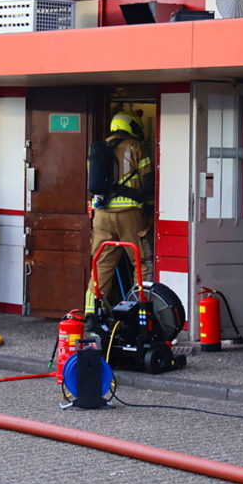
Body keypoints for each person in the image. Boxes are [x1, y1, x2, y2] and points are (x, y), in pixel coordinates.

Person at [85, 112, 154, 332]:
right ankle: (141, 310)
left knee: (100, 266)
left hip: (102, 216)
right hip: (129, 214)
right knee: (142, 262)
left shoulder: (97, 150)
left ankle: (91, 314)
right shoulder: (135, 146)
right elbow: (149, 182)